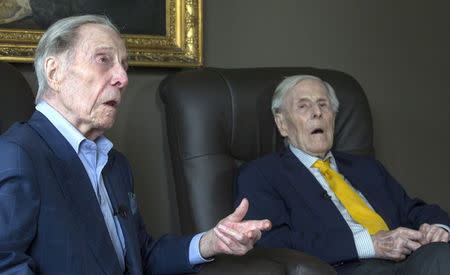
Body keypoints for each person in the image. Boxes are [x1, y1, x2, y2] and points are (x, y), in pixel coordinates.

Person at [0, 15, 271, 275]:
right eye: (103, 60)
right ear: (54, 72)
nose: (122, 78)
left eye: (124, 66)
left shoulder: (115, 165)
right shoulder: (17, 153)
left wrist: (211, 242)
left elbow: (141, 257)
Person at [234, 75, 450, 274]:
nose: (317, 112)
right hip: (348, 268)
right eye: (303, 106)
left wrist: (437, 229)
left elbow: (412, 209)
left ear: (333, 118)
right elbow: (274, 241)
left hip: (412, 261)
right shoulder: (261, 174)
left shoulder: (367, 167)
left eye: (323, 105)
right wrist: (370, 245)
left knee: (442, 253)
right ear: (282, 123)